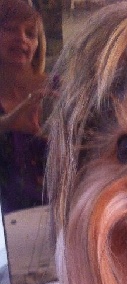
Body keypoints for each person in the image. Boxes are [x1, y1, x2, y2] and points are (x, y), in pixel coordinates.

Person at [0, 0, 48, 214]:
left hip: (56, 213)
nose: (22, 38)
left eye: (30, 33)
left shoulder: (56, 89)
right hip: (6, 220)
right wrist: (7, 123)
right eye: (10, 29)